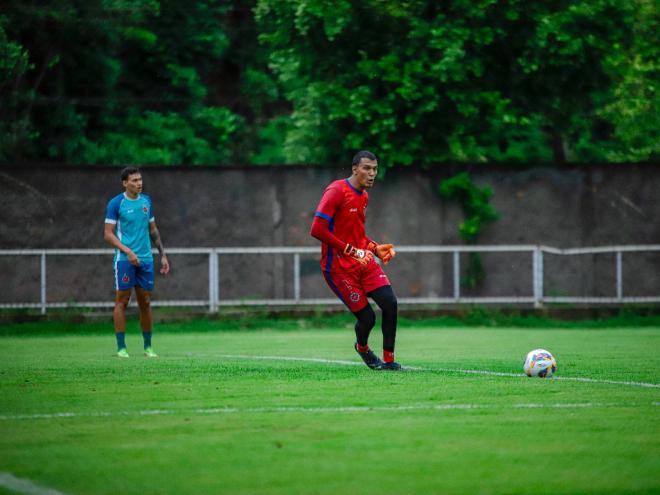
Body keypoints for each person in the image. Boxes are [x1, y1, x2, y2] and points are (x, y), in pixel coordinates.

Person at [310, 150, 401, 370]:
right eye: (366, 168)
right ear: (354, 169)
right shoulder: (336, 191)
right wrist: (352, 251)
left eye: (375, 169)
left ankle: (389, 361)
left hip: (363, 262)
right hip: (339, 269)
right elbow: (317, 229)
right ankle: (362, 348)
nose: (372, 174)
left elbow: (357, 236)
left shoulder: (363, 196)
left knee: (390, 303)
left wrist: (374, 248)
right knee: (368, 319)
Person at [104, 167, 170, 358]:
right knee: (122, 302)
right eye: (134, 180)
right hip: (125, 260)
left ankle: (148, 347)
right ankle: (121, 348)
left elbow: (153, 230)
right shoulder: (116, 204)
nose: (139, 183)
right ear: (125, 183)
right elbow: (108, 235)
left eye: (140, 179)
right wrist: (127, 251)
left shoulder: (146, 201)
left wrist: (163, 255)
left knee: (146, 302)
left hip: (146, 259)